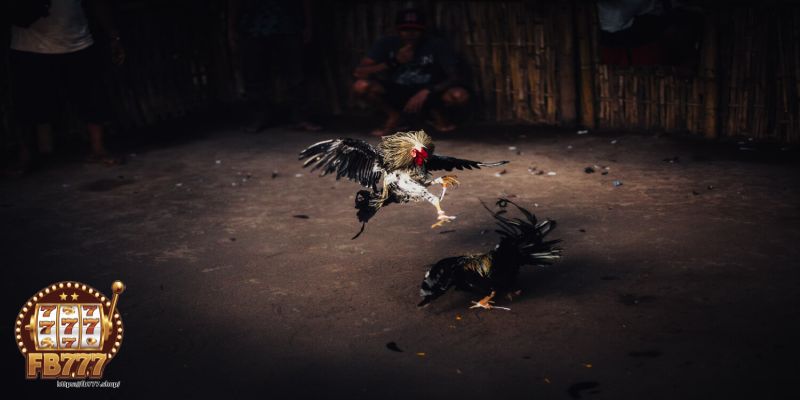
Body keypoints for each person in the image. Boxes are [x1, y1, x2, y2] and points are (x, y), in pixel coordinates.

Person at [9, 0, 126, 170]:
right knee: (27, 103)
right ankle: (24, 156)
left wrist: (113, 35)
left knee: (91, 97)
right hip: (30, 44)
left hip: (76, 39)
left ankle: (98, 149)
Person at [353, 8, 469, 137]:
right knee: (361, 86)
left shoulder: (436, 44)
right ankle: (394, 116)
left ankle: (434, 115)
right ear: (397, 29)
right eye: (405, 29)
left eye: (415, 29)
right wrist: (394, 62)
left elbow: (455, 76)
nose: (410, 33)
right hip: (396, 91)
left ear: (423, 30)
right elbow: (360, 72)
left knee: (459, 95)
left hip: (429, 92)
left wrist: (428, 90)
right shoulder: (386, 43)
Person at [227, 0, 322, 133]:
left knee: (296, 74)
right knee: (254, 74)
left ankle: (300, 117)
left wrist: (308, 24)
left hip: (286, 24)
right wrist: (231, 27)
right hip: (253, 26)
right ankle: (258, 117)